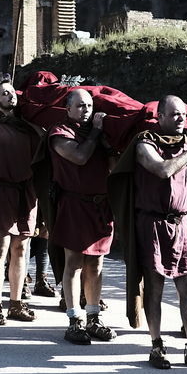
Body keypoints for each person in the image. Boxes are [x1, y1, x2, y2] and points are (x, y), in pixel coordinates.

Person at [113, 95, 187, 370]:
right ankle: (156, 345)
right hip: (153, 224)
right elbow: (163, 170)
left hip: (182, 223)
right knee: (155, 287)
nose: (180, 120)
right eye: (174, 115)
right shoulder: (144, 142)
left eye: (183, 116)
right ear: (159, 117)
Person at [48, 89, 117, 344]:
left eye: (88, 106)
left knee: (96, 264)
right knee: (74, 263)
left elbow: (112, 167)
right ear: (67, 109)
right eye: (79, 106)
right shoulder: (59, 133)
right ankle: (74, 318)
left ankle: (93, 317)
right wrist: (98, 134)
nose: (85, 110)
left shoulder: (99, 135)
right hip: (74, 204)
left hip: (100, 206)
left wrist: (107, 144)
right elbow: (79, 156)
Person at [0, 79, 40, 325]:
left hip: (26, 194)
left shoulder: (29, 128)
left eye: (12, 92)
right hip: (1, 193)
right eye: (4, 93)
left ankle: (15, 303)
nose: (10, 96)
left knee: (21, 250)